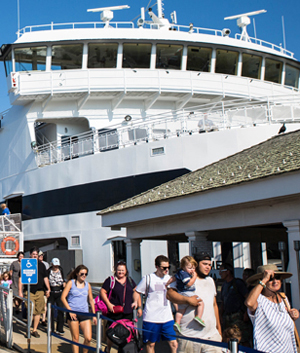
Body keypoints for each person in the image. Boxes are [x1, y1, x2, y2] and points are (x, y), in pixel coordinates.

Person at [167, 252, 222, 353]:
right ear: (195, 264)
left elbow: (214, 305)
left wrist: (219, 330)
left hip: (211, 337)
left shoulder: (210, 281)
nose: (208, 267)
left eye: (209, 265)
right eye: (204, 264)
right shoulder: (184, 278)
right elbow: (169, 295)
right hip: (189, 337)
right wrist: (187, 300)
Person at [245, 264, 299, 353]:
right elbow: (249, 303)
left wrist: (294, 315)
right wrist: (264, 279)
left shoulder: (283, 298)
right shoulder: (259, 300)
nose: (275, 281)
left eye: (277, 277)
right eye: (270, 278)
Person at [133, 255, 177, 353]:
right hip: (151, 317)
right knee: (151, 344)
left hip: (167, 317)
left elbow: (174, 296)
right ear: (157, 266)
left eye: (168, 267)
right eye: (164, 268)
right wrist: (137, 304)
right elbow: (137, 291)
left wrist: (178, 310)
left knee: (174, 344)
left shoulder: (170, 279)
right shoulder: (148, 278)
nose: (166, 270)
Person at [100, 261, 140, 353]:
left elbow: (136, 292)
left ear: (126, 271)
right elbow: (103, 292)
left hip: (127, 312)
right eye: (119, 270)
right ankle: (108, 349)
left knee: (125, 333)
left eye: (122, 270)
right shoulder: (110, 280)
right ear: (115, 270)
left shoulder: (130, 280)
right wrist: (109, 304)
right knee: (113, 333)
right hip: (114, 311)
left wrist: (137, 304)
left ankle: (122, 351)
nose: (121, 272)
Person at [61, 264, 96, 353]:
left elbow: (91, 300)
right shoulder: (71, 283)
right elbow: (63, 297)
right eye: (82, 274)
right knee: (75, 338)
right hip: (73, 312)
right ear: (77, 274)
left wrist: (94, 314)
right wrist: (69, 311)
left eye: (85, 274)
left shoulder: (87, 285)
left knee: (88, 338)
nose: (84, 276)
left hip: (84, 312)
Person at [166, 255, 205, 333]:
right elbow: (189, 284)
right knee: (201, 303)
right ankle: (198, 316)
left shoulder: (179, 273)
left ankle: (177, 322)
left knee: (180, 310)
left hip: (181, 294)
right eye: (190, 268)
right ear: (183, 267)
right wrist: (194, 277)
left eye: (193, 268)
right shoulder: (185, 274)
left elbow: (174, 278)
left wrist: (168, 282)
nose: (192, 270)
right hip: (187, 293)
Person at [18, 247, 51, 338]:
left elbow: (45, 278)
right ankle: (28, 330)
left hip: (40, 290)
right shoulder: (25, 264)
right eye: (33, 254)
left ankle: (35, 330)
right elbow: (21, 278)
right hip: (29, 291)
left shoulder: (42, 265)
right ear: (30, 255)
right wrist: (20, 291)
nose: (35, 256)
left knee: (38, 312)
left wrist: (48, 288)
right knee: (30, 311)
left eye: (36, 255)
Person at [219, 263, 250, 346]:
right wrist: (220, 316)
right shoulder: (224, 285)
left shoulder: (238, 283)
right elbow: (223, 302)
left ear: (228, 272)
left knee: (242, 339)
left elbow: (248, 298)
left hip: (238, 316)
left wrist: (247, 313)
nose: (220, 273)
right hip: (227, 317)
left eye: (221, 271)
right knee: (229, 339)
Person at [47, 258, 65, 335]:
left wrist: (64, 284)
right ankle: (51, 328)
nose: (56, 267)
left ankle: (60, 328)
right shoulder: (48, 271)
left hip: (60, 291)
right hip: (52, 291)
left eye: (57, 265)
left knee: (61, 310)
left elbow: (63, 279)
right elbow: (46, 280)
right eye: (55, 265)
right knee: (50, 310)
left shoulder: (61, 270)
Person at [38, 250, 49, 326]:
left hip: (44, 287)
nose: (41, 256)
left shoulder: (46, 264)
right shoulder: (33, 264)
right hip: (37, 287)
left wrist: (48, 288)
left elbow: (46, 277)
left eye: (42, 255)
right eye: (40, 255)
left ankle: (44, 319)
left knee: (45, 304)